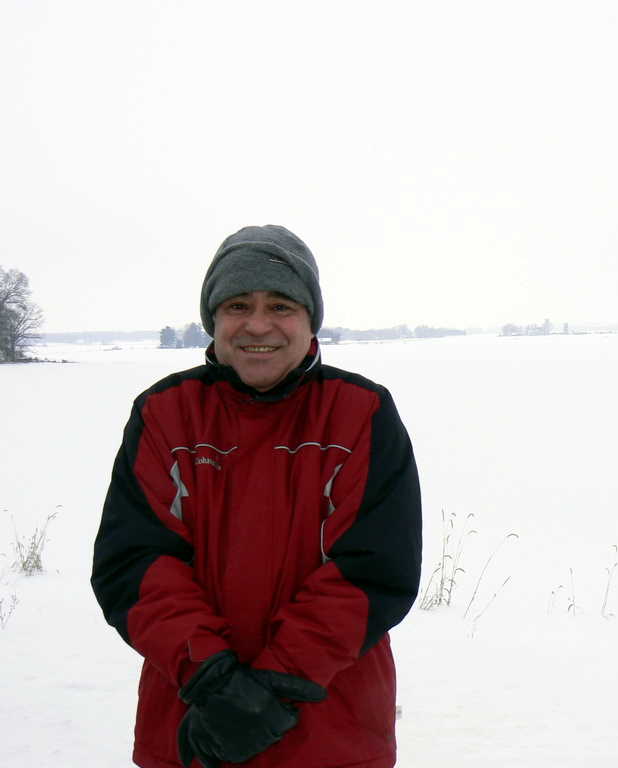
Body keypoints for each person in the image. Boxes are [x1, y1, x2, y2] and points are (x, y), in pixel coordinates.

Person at [91, 225, 422, 768]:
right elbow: (134, 563)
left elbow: (374, 570)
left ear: (310, 319)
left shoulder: (361, 412)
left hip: (331, 725)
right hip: (194, 720)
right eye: (238, 305)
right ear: (214, 320)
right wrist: (213, 679)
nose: (259, 324)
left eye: (281, 306)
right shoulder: (165, 413)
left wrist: (275, 683)